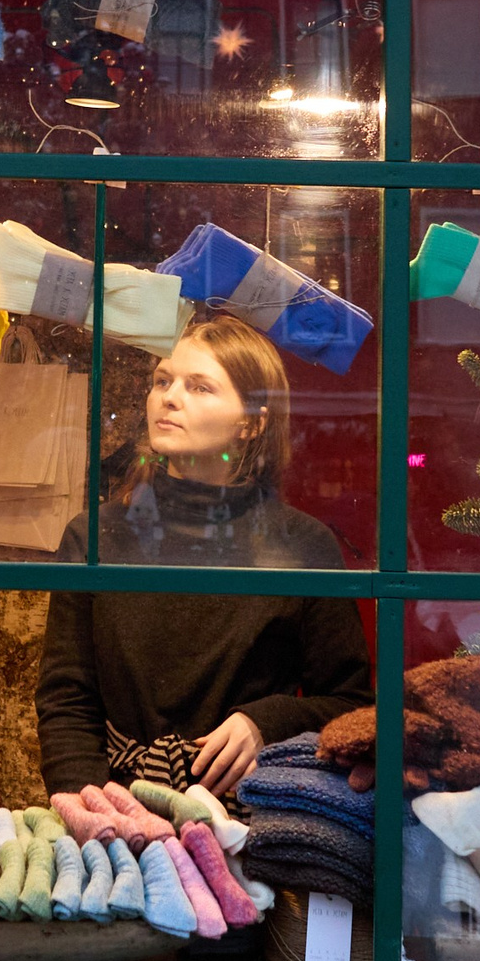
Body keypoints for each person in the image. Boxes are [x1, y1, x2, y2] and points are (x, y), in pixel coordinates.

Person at [34, 316, 373, 800]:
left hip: (254, 811)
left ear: (251, 421)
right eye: (162, 381)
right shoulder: (96, 534)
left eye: (200, 387)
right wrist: (91, 808)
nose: (169, 397)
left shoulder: (303, 545)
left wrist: (266, 721)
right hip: (117, 804)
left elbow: (350, 706)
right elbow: (67, 700)